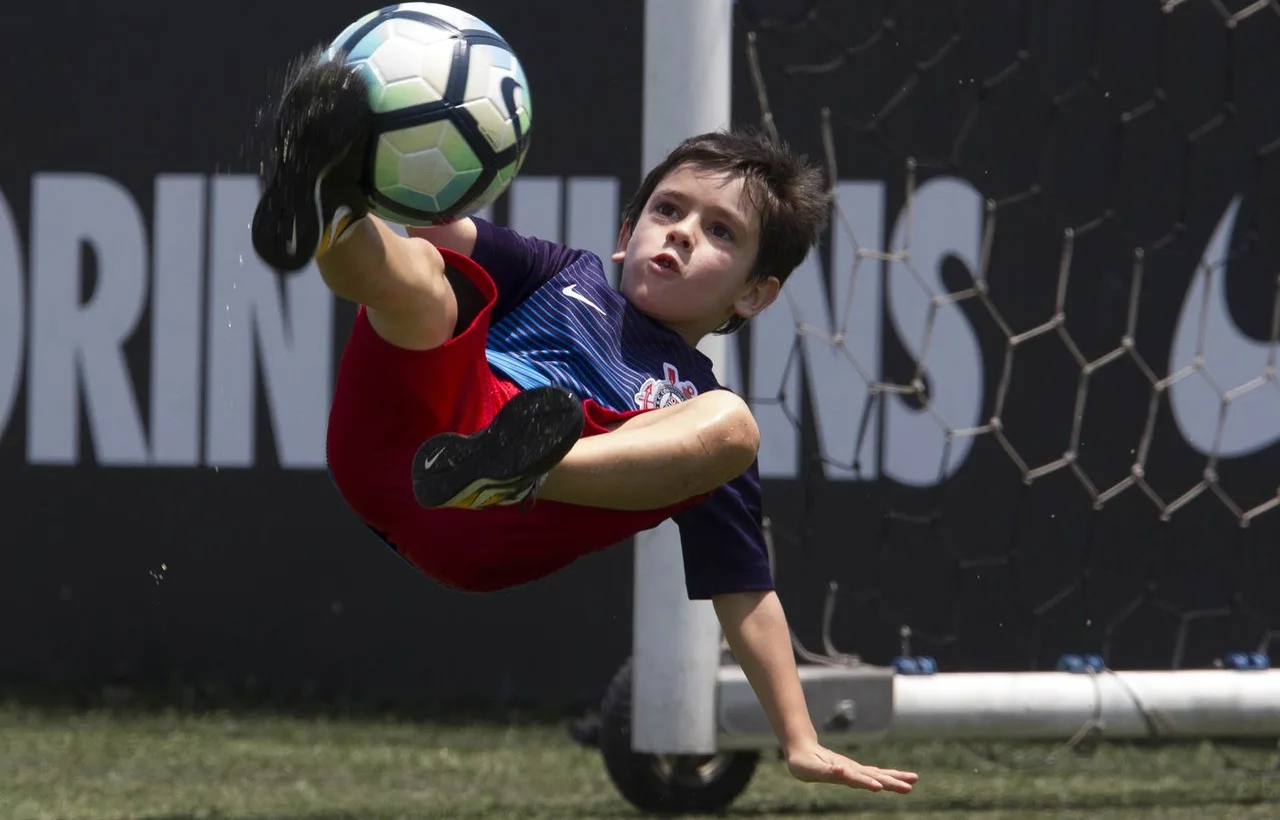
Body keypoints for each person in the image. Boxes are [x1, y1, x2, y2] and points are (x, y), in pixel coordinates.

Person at [251, 49, 919, 796]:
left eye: (722, 232)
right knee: (425, 284)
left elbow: (746, 590)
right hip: (406, 442)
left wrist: (799, 739)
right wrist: (361, 168)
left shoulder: (694, 409)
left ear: (754, 296)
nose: (683, 233)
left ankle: (516, 468)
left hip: (489, 524)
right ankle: (324, 211)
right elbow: (432, 235)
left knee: (734, 424)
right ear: (628, 229)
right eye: (668, 211)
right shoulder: (555, 271)